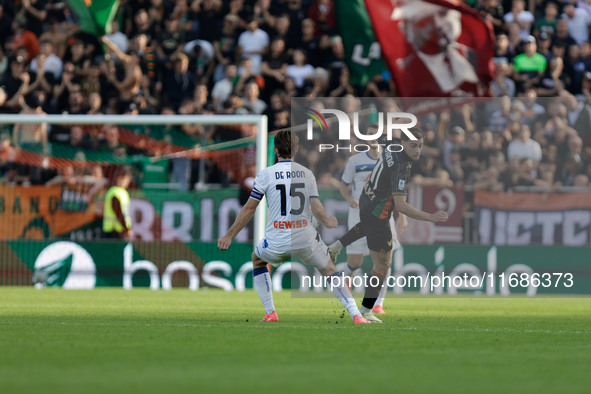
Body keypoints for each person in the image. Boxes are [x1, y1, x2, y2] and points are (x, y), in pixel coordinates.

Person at [218, 130, 370, 324]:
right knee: (330, 270)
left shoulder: (265, 175)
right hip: (306, 238)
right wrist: (326, 221)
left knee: (257, 260)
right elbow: (316, 207)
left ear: (274, 150)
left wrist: (229, 235)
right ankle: (356, 314)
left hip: (278, 240)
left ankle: (271, 312)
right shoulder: (307, 174)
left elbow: (249, 209)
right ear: (296, 149)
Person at [328, 125, 448, 323]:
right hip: (378, 213)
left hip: (366, 199)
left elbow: (378, 137)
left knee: (367, 229)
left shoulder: (392, 145)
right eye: (413, 146)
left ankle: (336, 246)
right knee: (383, 265)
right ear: (403, 144)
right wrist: (430, 217)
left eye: (420, 146)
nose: (417, 150)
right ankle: (366, 310)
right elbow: (401, 206)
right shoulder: (401, 167)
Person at [338, 141, 407, 315]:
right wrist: (349, 200)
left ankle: (378, 303)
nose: (373, 139)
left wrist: (403, 215)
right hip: (359, 213)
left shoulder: (391, 160)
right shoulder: (355, 160)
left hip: (384, 215)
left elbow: (398, 189)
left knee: (386, 260)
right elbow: (343, 185)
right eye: (370, 134)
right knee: (355, 262)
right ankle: (343, 287)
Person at [102, 165, 133, 239]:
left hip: (118, 230)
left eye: (124, 179)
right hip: (113, 231)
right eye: (121, 178)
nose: (122, 181)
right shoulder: (115, 192)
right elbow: (118, 211)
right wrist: (126, 228)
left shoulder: (123, 193)